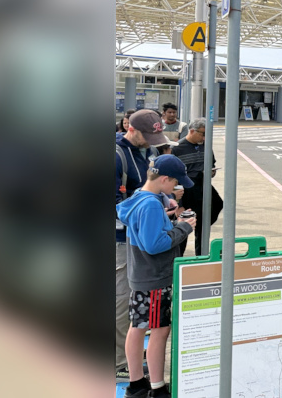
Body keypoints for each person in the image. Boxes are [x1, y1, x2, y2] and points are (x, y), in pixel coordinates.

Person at [118, 154, 196, 398]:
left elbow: (145, 230)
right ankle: (157, 387)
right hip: (154, 279)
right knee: (159, 330)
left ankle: (136, 384)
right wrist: (185, 227)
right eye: (175, 183)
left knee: (137, 328)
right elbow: (154, 244)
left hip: (140, 276)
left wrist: (169, 217)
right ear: (164, 179)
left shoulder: (139, 198)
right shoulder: (151, 204)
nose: (176, 188)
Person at [113, 109, 161, 379]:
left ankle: (126, 350)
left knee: (134, 297)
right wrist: (144, 207)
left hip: (140, 238)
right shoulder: (117, 156)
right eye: (149, 135)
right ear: (131, 129)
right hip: (121, 240)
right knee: (121, 300)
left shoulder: (149, 153)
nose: (153, 141)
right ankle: (118, 361)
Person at [169, 119, 221, 255]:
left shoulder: (206, 146)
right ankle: (178, 260)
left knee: (216, 206)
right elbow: (172, 177)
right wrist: (178, 204)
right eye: (202, 134)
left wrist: (212, 172)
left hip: (203, 187)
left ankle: (201, 255)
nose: (204, 138)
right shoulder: (176, 149)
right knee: (182, 229)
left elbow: (212, 166)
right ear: (192, 131)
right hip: (185, 191)